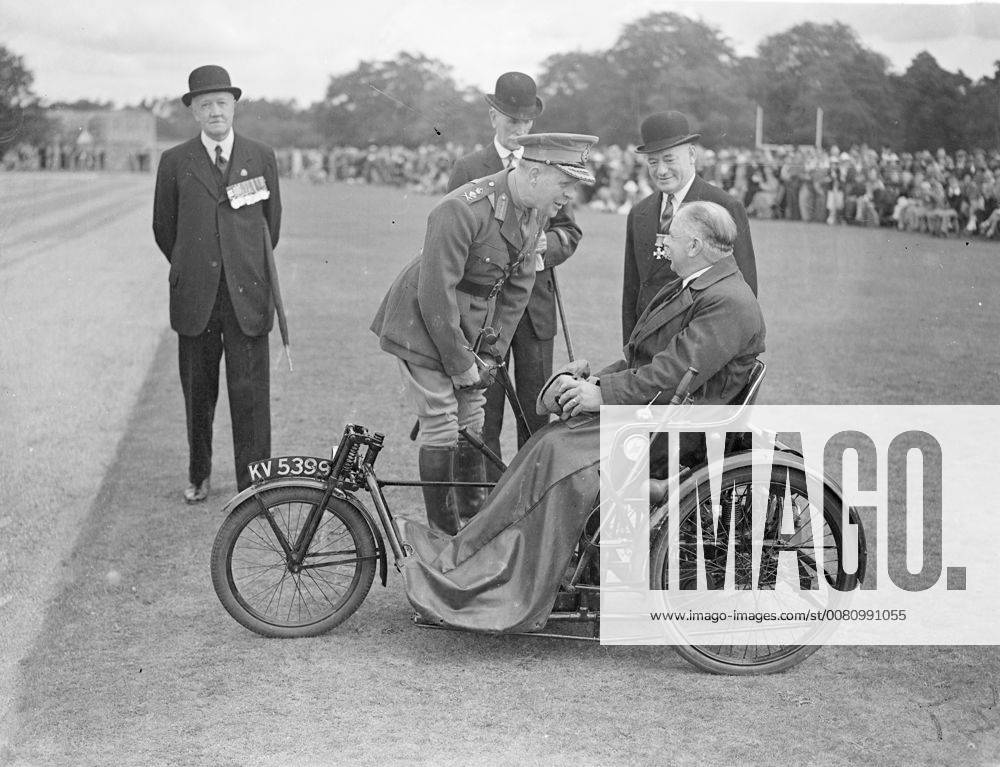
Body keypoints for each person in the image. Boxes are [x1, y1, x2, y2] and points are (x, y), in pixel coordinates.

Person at [402, 201, 766, 633]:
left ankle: (501, 576)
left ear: (696, 244)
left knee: (554, 449)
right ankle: (474, 558)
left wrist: (600, 395)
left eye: (670, 235)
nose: (662, 242)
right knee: (548, 439)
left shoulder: (727, 301)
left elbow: (670, 375)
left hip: (677, 428)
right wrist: (592, 382)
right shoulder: (700, 284)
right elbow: (641, 360)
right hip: (658, 413)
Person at [371, 133, 597, 535]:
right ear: (531, 174)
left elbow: (517, 288)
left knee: (472, 416)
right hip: (424, 325)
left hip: (472, 327)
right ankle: (444, 536)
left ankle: (473, 516)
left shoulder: (534, 208)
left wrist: (492, 355)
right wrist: (460, 364)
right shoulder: (462, 208)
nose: (568, 197)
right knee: (442, 421)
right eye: (564, 185)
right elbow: (435, 293)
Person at [153, 65, 282, 501]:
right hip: (196, 300)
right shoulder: (174, 161)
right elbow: (164, 228)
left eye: (221, 103)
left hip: (247, 296)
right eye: (204, 104)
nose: (214, 111)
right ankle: (199, 475)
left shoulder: (260, 156)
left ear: (234, 106)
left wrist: (238, 265)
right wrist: (198, 266)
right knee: (199, 395)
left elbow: (271, 227)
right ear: (192, 111)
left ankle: (254, 484)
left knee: (251, 398)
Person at [447, 72, 583, 477]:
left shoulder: (545, 163)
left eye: (527, 123)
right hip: (483, 315)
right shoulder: (469, 167)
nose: (521, 131)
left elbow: (569, 231)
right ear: (493, 117)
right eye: (512, 122)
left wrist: (548, 246)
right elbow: (452, 238)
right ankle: (486, 504)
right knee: (482, 417)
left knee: (536, 414)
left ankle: (531, 503)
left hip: (535, 312)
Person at [622, 111, 757, 345]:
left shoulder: (723, 206)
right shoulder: (639, 212)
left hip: (699, 347)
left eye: (669, 159)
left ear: (692, 155)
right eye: (653, 162)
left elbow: (745, 289)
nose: (661, 170)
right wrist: (630, 346)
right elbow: (632, 289)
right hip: (647, 347)